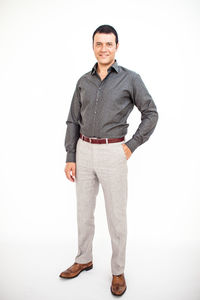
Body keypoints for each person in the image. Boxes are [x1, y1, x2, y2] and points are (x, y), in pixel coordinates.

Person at [59, 24, 158, 296]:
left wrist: (131, 146)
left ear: (116, 47)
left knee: (116, 217)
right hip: (83, 151)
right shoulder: (83, 81)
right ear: (93, 46)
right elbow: (72, 120)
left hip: (114, 152)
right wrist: (71, 155)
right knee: (83, 213)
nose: (103, 49)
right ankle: (84, 259)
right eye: (99, 44)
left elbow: (151, 113)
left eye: (109, 44)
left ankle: (117, 271)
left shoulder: (130, 79)